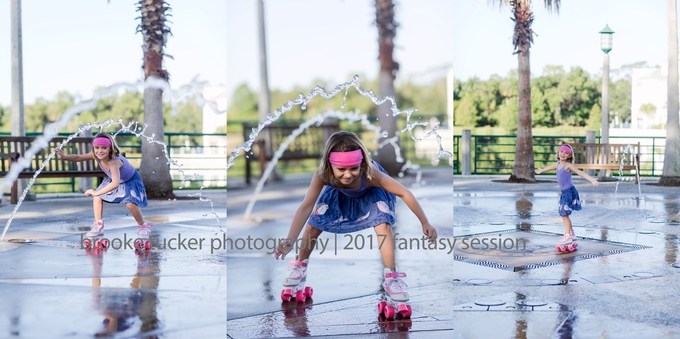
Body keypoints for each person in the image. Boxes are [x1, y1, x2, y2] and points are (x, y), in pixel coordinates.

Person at [273, 131, 438, 312]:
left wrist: (424, 222)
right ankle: (300, 267)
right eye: (341, 170)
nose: (348, 174)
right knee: (314, 224)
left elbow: (404, 193)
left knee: (382, 224)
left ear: (361, 163)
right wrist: (290, 239)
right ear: (330, 165)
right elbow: (306, 206)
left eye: (353, 168)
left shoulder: (370, 174)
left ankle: (392, 277)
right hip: (339, 194)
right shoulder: (323, 174)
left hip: (371, 193)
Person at [55, 132, 152, 240]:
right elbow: (78, 157)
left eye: (104, 148)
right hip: (116, 180)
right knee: (97, 197)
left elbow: (115, 184)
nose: (100, 151)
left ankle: (143, 226)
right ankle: (98, 225)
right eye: (97, 147)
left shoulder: (115, 162)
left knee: (130, 203)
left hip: (130, 181)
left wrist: (96, 192)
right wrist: (63, 157)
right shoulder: (96, 156)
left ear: (110, 148)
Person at [535, 144, 598, 248]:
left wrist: (591, 179)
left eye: (566, 153)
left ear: (569, 156)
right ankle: (571, 234)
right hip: (564, 193)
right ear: (558, 153)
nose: (563, 154)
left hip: (569, 192)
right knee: (565, 214)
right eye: (561, 152)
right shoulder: (557, 164)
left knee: (564, 214)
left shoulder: (568, 165)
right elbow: (549, 168)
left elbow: (579, 172)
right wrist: (541, 170)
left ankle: (567, 236)